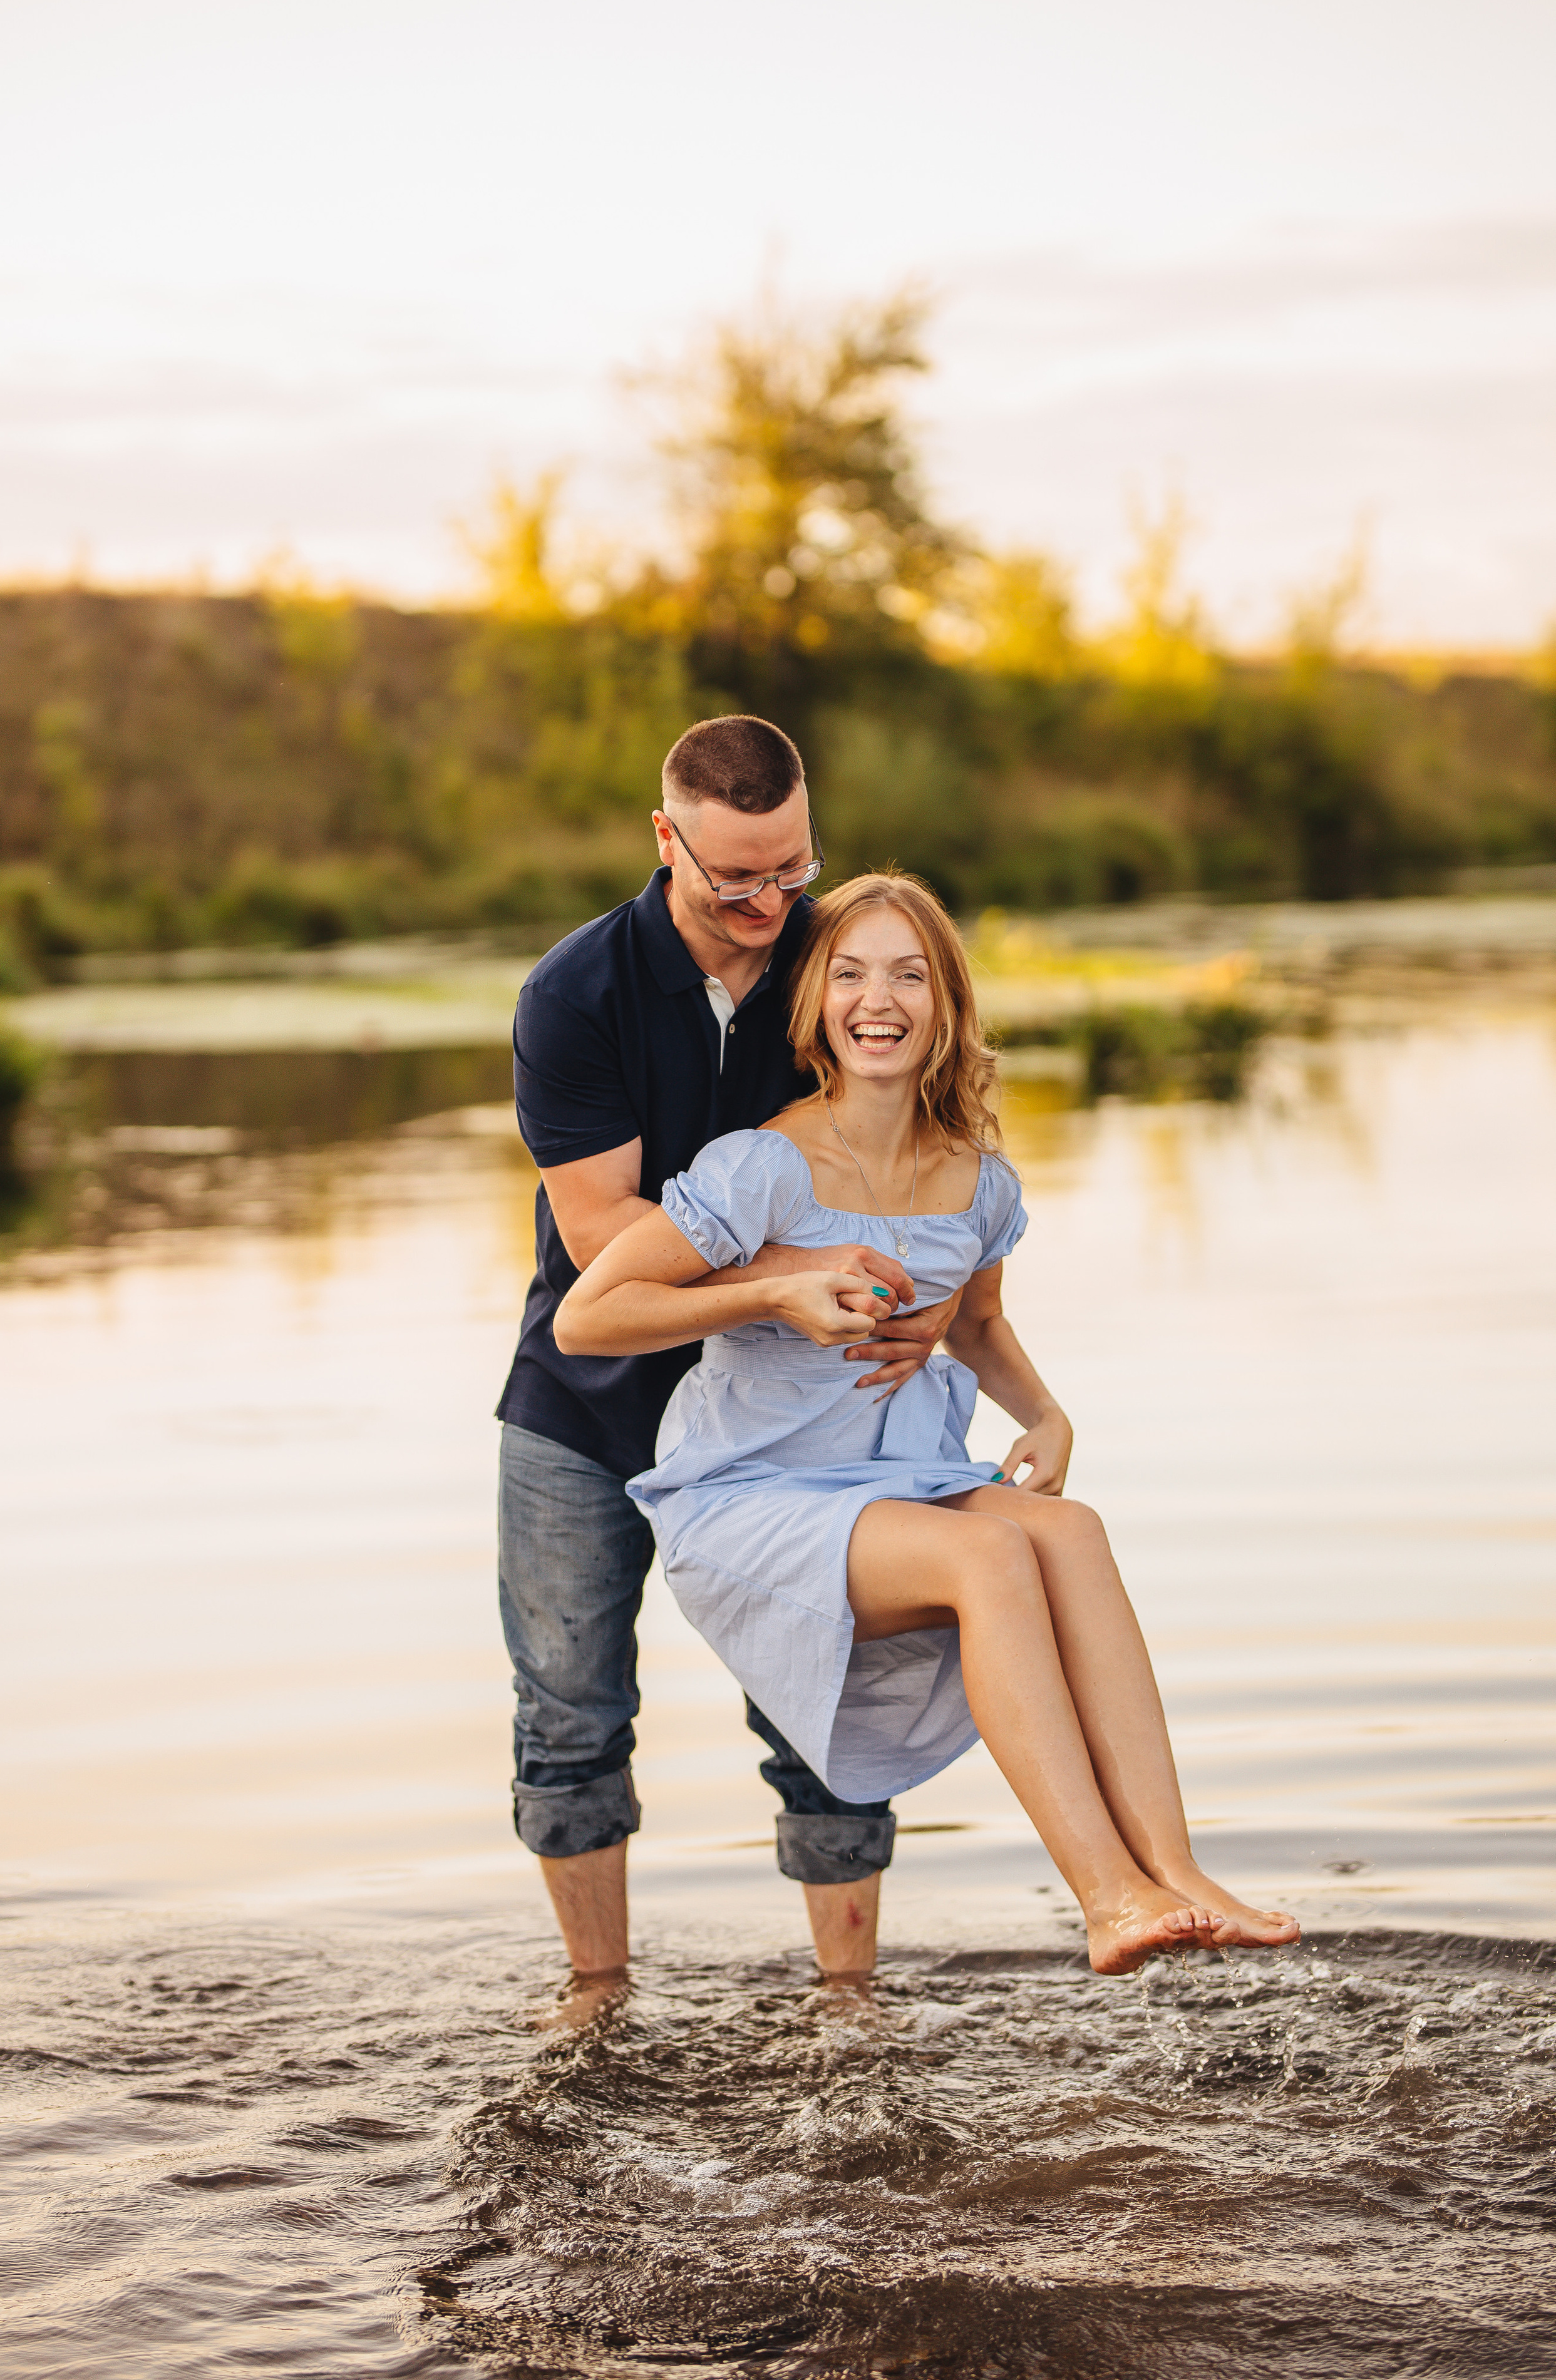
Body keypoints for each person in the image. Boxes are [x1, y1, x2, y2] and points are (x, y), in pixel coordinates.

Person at [555, 871, 1302, 1974]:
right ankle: (1106, 1899)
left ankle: (1176, 1872)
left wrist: (1045, 1416)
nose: (879, 999)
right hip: (752, 1496)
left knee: (1074, 1530)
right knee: (992, 1551)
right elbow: (590, 1316)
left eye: (910, 974)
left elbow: (982, 1323)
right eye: (851, 973)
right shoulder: (762, 1166)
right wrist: (771, 1292)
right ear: (815, 1006)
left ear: (947, 1005)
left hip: (896, 1480)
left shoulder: (979, 1183)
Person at [497, 717, 1058, 1986]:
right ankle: (596, 2007)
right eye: (732, 878)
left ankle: (847, 2013)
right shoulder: (573, 994)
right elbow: (604, 1249)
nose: (767, 903)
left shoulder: (833, 958)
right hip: (584, 1401)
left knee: (823, 1710)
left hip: (797, 1412)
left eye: (790, 869)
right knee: (570, 1712)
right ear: (665, 839)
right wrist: (791, 1283)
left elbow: (916, 1141)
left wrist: (924, 1294)